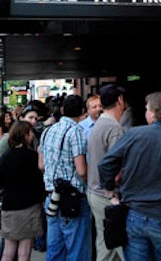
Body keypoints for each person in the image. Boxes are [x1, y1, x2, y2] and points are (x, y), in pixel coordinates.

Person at [98, 91, 161, 261]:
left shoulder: (134, 135)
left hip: (134, 215)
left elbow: (106, 163)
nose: (145, 112)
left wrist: (110, 191)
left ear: (153, 113)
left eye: (147, 109)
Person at [38, 94, 92, 261]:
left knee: (55, 248)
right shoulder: (75, 132)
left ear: (62, 110)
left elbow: (41, 165)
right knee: (77, 249)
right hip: (72, 199)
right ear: (83, 112)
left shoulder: (47, 131)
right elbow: (82, 170)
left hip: (51, 197)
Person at [87, 84, 126, 261]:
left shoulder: (98, 124)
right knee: (117, 244)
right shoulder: (114, 128)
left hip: (94, 191)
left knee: (105, 242)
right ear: (120, 100)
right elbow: (116, 168)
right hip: (108, 195)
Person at [0, 120, 45, 260]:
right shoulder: (32, 157)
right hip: (29, 208)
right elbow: (39, 182)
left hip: (9, 207)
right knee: (24, 252)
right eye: (30, 132)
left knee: (8, 251)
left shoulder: (5, 157)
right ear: (25, 135)